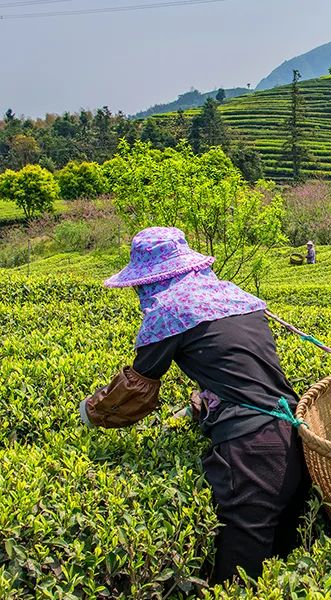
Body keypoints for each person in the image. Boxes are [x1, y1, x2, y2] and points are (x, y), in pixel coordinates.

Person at [78, 227, 311, 584]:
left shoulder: (169, 313)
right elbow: (235, 371)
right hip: (293, 431)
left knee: (237, 573)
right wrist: (200, 404)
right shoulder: (236, 298)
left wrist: (91, 413)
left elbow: (134, 392)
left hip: (251, 448)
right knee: (283, 556)